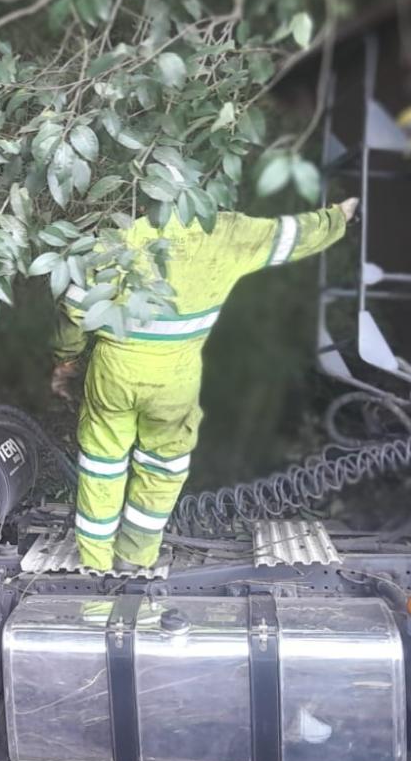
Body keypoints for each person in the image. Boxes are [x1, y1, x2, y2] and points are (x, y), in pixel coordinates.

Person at [52, 198, 359, 573]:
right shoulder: (224, 231)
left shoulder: (115, 236)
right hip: (176, 379)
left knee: (102, 465)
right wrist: (336, 216)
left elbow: (74, 311)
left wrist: (66, 360)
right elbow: (288, 235)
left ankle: (94, 566)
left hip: (113, 371)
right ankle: (135, 559)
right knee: (163, 467)